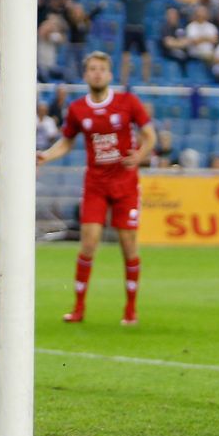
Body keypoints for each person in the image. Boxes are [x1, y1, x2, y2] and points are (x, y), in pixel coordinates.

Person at [36, 51, 157, 326]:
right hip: (96, 185)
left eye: (102, 68)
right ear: (85, 74)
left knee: (128, 246)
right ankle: (78, 307)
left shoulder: (127, 102)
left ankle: (130, 309)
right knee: (88, 243)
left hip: (125, 184)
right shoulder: (78, 109)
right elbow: (66, 142)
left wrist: (140, 155)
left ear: (110, 74)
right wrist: (46, 155)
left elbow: (150, 135)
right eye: (92, 68)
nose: (97, 73)